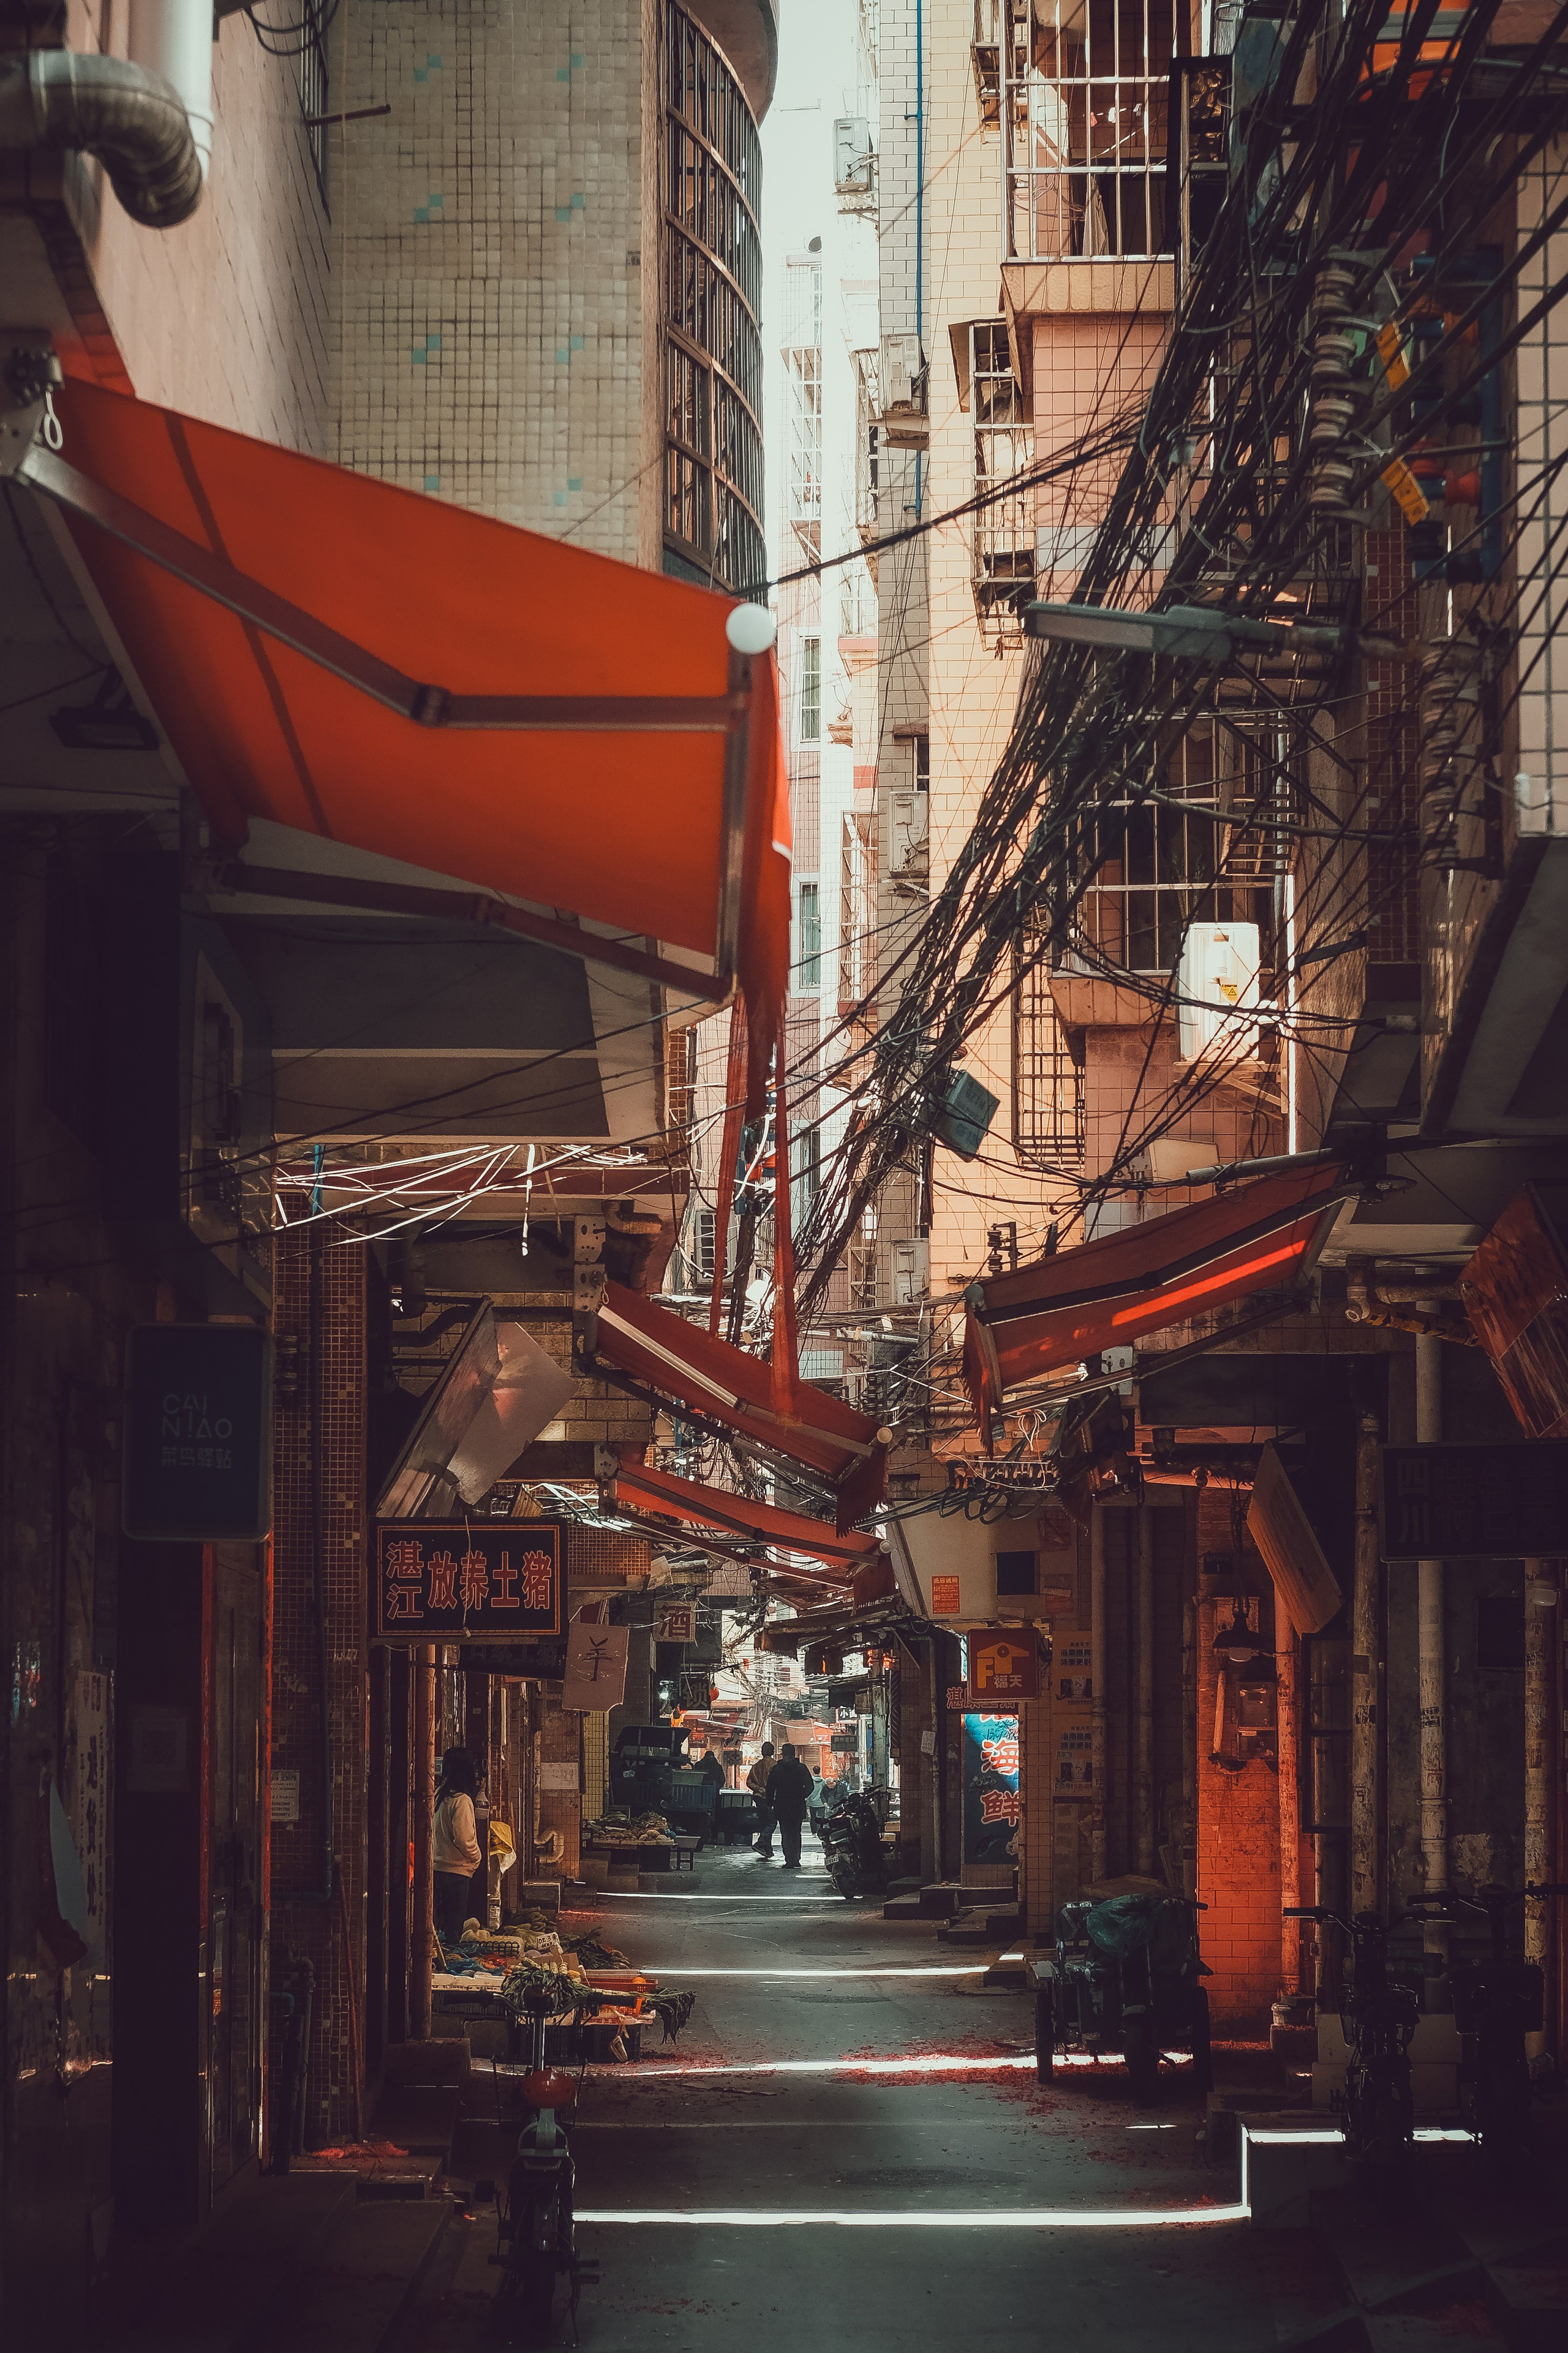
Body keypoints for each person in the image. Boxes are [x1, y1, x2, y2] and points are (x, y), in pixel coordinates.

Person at [432, 1745, 483, 1947]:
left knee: (440, 1928)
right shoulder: (461, 1801)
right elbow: (464, 1840)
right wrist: (477, 1857)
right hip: (456, 1873)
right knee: (453, 1931)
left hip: (437, 1869)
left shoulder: (438, 1795)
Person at [767, 1743, 815, 1869]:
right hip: (797, 1805)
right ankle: (796, 1859)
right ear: (794, 1753)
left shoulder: (777, 1769)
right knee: (796, 1833)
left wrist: (770, 1804)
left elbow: (770, 1788)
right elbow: (810, 1786)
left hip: (782, 1805)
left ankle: (789, 1859)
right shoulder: (801, 1768)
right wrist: (801, 1796)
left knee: (786, 1833)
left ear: (783, 1754)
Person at [746, 1742, 776, 1856]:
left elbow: (749, 1782)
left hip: (758, 1798)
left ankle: (767, 1849)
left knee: (764, 1822)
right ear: (772, 1752)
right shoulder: (775, 1765)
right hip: (771, 1798)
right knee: (772, 1822)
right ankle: (761, 1843)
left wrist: (759, 1789)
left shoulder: (756, 1766)